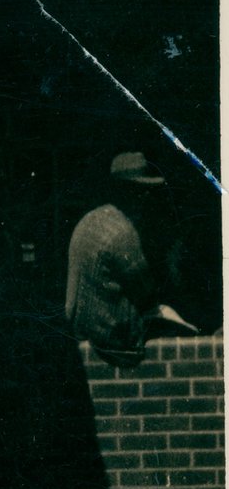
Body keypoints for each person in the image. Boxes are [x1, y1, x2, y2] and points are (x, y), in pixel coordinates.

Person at [65, 150, 195, 368]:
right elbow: (147, 293)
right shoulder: (123, 233)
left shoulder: (92, 219)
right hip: (114, 340)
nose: (145, 198)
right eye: (140, 191)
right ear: (124, 191)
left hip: (83, 332)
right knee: (175, 325)